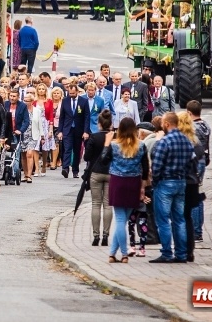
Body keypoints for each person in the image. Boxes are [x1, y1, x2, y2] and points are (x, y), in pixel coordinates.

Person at [99, 117, 149, 263]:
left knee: (120, 220)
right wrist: (143, 187)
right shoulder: (141, 145)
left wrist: (106, 144)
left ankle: (124, 253)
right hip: (133, 182)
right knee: (124, 219)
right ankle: (112, 253)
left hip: (117, 182)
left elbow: (102, 161)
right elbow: (145, 168)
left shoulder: (114, 145)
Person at [149, 112, 194, 263]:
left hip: (165, 183)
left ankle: (167, 253)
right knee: (179, 219)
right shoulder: (186, 140)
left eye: (162, 123)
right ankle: (181, 254)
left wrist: (155, 181)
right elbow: (191, 162)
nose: (161, 125)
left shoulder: (165, 141)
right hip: (181, 182)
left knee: (163, 220)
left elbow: (156, 165)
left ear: (167, 124)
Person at [177, 112, 204, 262]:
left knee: (178, 218)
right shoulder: (195, 140)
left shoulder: (177, 140)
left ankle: (181, 250)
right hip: (192, 182)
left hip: (180, 181)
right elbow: (200, 156)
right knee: (187, 217)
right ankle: (189, 250)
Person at [85, 109, 114, 247]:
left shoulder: (94, 137)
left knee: (96, 203)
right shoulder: (114, 137)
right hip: (110, 172)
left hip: (95, 172)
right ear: (111, 123)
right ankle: (106, 235)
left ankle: (96, 235)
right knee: (108, 204)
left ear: (99, 123)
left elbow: (86, 157)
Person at [187, 100, 210, 243]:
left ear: (189, 113)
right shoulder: (205, 125)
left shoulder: (193, 127)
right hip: (203, 159)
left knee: (194, 196)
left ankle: (195, 230)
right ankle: (198, 230)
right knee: (198, 194)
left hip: (195, 161)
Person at [57, 84, 90, 179]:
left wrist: (86, 131)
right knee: (67, 148)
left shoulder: (84, 101)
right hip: (67, 129)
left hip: (79, 130)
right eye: (69, 93)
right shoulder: (65, 101)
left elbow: (86, 117)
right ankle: (65, 168)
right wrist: (60, 131)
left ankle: (75, 170)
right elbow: (62, 117)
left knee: (76, 150)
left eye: (73, 93)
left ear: (77, 92)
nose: (71, 94)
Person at [21, 91, 43, 182]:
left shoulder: (37, 110)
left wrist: (42, 136)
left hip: (33, 134)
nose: (25, 102)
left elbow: (40, 123)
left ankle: (30, 175)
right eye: (24, 100)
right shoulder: (21, 110)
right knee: (23, 155)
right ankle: (25, 174)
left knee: (29, 154)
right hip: (22, 134)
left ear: (32, 101)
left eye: (27, 100)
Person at [34, 83, 55, 173]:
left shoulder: (49, 101)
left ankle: (44, 165)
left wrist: (50, 129)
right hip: (36, 124)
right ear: (37, 91)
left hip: (45, 124)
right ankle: (36, 167)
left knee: (45, 146)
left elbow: (51, 115)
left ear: (45, 91)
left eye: (43, 89)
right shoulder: (34, 101)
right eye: (40, 89)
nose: (41, 90)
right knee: (35, 145)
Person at [50, 87, 64, 169]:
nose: (56, 95)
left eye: (58, 93)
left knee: (56, 143)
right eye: (54, 93)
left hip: (59, 125)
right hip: (49, 125)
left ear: (61, 95)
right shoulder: (49, 102)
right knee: (49, 143)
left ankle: (54, 162)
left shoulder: (63, 103)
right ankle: (49, 160)